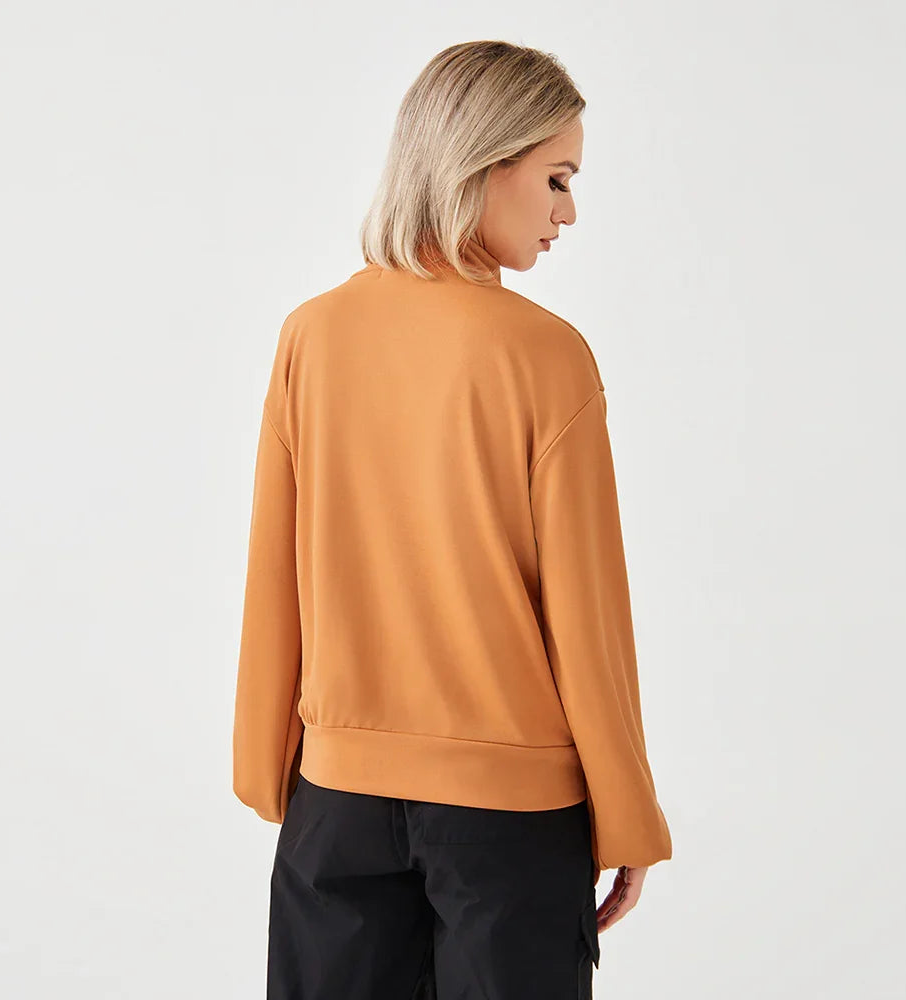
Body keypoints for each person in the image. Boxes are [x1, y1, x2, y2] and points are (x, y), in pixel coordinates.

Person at [232, 39, 672, 999]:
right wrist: (626, 811)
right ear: (484, 162)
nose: (567, 211)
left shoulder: (312, 335)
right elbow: (587, 614)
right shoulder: (545, 355)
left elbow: (276, 571)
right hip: (511, 821)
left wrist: (269, 763)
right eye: (557, 178)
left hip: (335, 803)